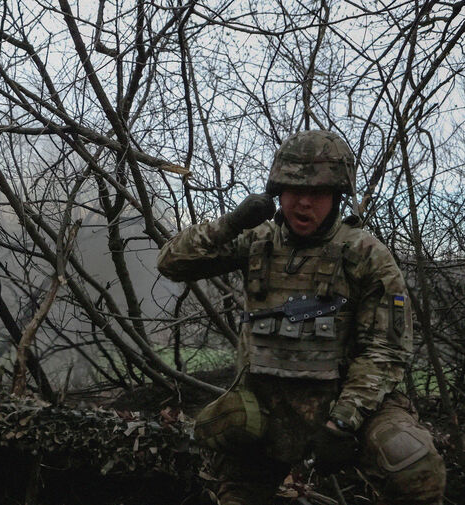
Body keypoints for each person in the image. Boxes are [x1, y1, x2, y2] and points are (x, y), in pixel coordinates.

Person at [157, 130, 446, 504]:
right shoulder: (256, 240)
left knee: (414, 466)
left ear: (337, 195)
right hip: (266, 407)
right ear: (278, 191)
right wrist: (232, 222)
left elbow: (386, 351)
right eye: (294, 190)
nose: (304, 203)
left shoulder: (366, 254)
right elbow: (172, 263)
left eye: (318, 193)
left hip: (345, 403)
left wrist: (343, 420)